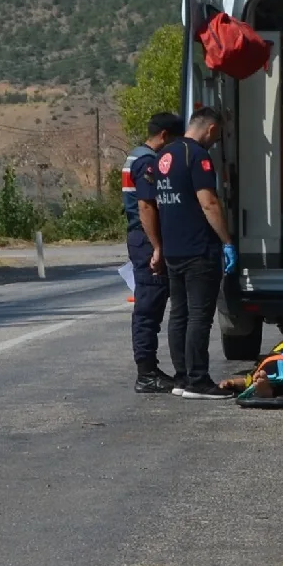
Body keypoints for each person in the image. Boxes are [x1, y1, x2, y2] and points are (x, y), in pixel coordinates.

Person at [135, 104, 237, 398]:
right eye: (218, 135)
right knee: (199, 317)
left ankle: (181, 377)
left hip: (173, 250)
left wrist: (159, 245)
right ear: (211, 129)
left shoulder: (162, 156)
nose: (216, 141)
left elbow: (150, 204)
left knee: (179, 314)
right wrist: (227, 241)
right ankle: (198, 380)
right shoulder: (197, 156)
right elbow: (209, 203)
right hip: (198, 249)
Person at [123, 113, 177, 392]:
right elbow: (146, 206)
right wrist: (157, 246)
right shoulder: (147, 161)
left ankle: (149, 370)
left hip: (141, 238)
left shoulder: (136, 155)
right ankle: (146, 373)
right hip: (146, 239)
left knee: (150, 306)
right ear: (165, 136)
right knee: (148, 307)